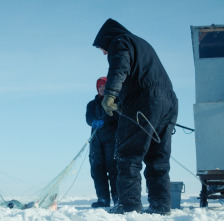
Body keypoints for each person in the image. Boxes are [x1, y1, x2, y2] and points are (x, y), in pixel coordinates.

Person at [92, 18, 178, 215]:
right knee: (158, 158)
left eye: (102, 48)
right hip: (169, 101)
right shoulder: (141, 43)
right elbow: (140, 75)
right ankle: (161, 206)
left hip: (145, 100)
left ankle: (128, 206)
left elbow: (119, 67)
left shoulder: (120, 41)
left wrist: (111, 94)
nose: (104, 52)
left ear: (106, 39)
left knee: (128, 154)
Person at [86, 77, 119, 208]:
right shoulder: (91, 104)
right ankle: (103, 199)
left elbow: (117, 115)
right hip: (96, 141)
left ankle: (117, 198)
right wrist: (93, 121)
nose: (102, 90)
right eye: (100, 88)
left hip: (112, 140)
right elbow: (88, 117)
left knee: (114, 169)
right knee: (97, 169)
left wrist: (106, 121)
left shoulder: (115, 102)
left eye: (104, 87)